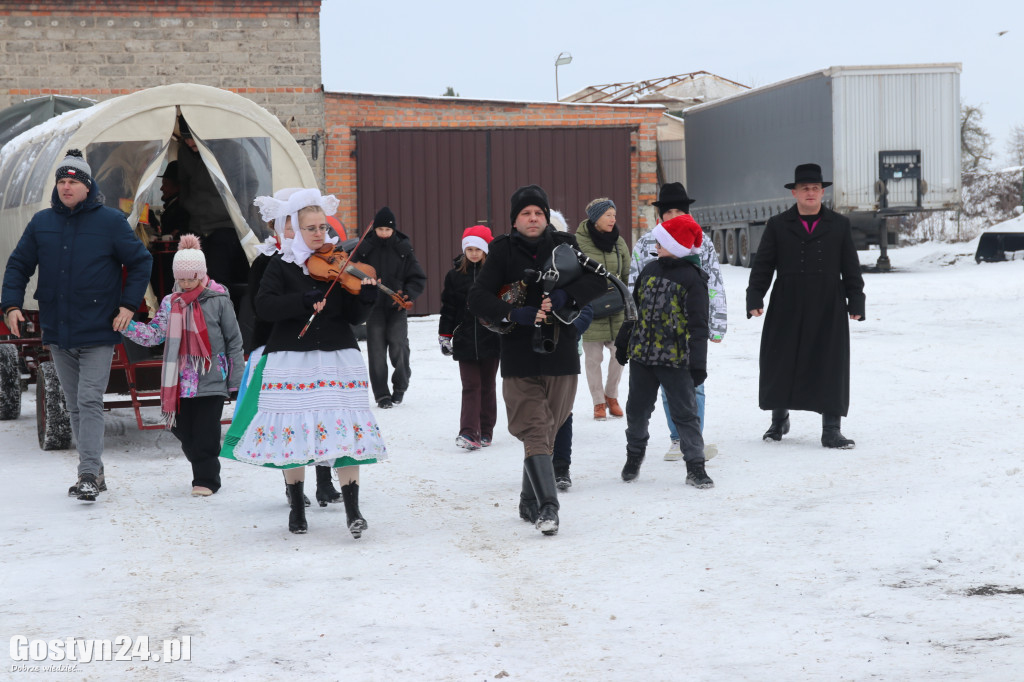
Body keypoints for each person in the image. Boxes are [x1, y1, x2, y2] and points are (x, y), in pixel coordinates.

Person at [220, 188, 386, 538]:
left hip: (339, 358)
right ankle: (297, 507)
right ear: (294, 226)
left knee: (344, 432)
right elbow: (264, 308)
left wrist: (367, 300)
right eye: (310, 227)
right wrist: (302, 300)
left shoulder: (337, 263)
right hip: (292, 360)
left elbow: (352, 315)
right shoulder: (280, 265)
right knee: (293, 435)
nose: (318, 234)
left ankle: (353, 510)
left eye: (322, 227)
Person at [1, 149, 153, 501]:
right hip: (57, 327)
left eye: (73, 181)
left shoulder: (111, 222)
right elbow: (18, 265)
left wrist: (129, 306)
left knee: (88, 399)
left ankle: (86, 474)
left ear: (87, 187)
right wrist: (10, 304)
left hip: (99, 328)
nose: (66, 187)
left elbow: (141, 261)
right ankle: (95, 470)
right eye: (61, 181)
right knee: (73, 403)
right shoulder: (41, 223)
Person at [468, 184, 607, 536]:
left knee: (548, 430)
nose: (533, 219)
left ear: (546, 218)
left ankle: (529, 498)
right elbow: (478, 297)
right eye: (526, 214)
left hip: (561, 354)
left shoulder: (566, 245)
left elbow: (599, 281)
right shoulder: (501, 251)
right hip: (519, 356)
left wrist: (565, 296)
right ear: (515, 220)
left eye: (538, 213)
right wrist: (516, 314)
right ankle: (549, 507)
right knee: (534, 427)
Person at [746, 163, 865, 448]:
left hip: (828, 303)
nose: (810, 193)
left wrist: (856, 300)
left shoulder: (839, 224)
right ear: (794, 193)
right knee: (780, 359)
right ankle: (778, 420)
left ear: (822, 192)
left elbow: (851, 267)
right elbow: (763, 264)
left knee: (830, 363)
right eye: (804, 189)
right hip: (787, 301)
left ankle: (831, 428)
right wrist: (754, 297)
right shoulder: (777, 225)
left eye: (815, 188)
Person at [120, 236, 243, 496]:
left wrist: (235, 380)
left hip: (211, 375)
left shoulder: (218, 300)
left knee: (206, 433)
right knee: (183, 429)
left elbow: (234, 340)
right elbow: (156, 334)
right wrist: (128, 327)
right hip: (179, 379)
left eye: (191, 278)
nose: (186, 284)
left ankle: (207, 480)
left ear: (202, 274)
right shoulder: (170, 302)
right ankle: (201, 463)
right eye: (182, 279)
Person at [245, 188, 342, 508]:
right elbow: (261, 307)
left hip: (316, 347)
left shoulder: (321, 259)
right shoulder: (269, 261)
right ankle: (293, 486)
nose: (291, 232)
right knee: (290, 423)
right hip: (280, 347)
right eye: (288, 226)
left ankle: (325, 481)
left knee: (323, 418)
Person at [629, 182, 727, 461]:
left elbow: (715, 284)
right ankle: (676, 439)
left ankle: (693, 438)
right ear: (660, 215)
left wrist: (716, 323)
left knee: (694, 383)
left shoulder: (701, 242)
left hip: (690, 326)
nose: (673, 215)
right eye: (667, 210)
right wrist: (633, 324)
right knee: (666, 386)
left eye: (678, 210)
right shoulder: (646, 243)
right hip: (656, 331)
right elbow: (633, 285)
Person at [615, 214, 713, 489]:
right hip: (643, 358)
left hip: (676, 360)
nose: (656, 246)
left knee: (685, 413)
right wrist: (624, 342)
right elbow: (633, 311)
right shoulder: (649, 270)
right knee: (636, 411)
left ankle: (696, 466)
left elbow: (698, 325)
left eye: (662, 242)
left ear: (678, 244)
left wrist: (698, 363)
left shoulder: (693, 279)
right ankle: (634, 456)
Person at [350, 206, 427, 408]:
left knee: (398, 345)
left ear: (393, 230)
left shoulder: (403, 249)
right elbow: (351, 273)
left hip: (397, 306)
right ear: (374, 229)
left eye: (388, 230)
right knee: (376, 351)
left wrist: (407, 293)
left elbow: (417, 277)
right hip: (373, 307)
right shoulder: (364, 249)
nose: (384, 233)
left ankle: (400, 385)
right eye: (380, 230)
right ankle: (382, 395)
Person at [438, 225, 500, 450]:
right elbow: (449, 308)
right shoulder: (455, 276)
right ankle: (468, 432)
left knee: (487, 386)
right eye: (469, 249)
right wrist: (445, 335)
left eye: (478, 249)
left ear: (485, 251)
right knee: (470, 385)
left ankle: (485, 430)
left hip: (490, 338)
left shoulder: (494, 275)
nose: (473, 253)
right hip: (464, 338)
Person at [174, 116, 250, 297]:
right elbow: (183, 184)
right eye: (185, 138)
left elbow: (249, 185)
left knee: (220, 281)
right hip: (197, 227)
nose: (189, 142)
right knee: (194, 280)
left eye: (192, 137)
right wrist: (187, 204)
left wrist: (235, 211)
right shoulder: (184, 153)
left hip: (225, 226)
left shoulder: (233, 150)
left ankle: (222, 319)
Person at [575, 197, 631, 421]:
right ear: (595, 217)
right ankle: (598, 402)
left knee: (620, 354)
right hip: (591, 307)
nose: (613, 219)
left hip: (616, 307)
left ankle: (612, 395)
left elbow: (626, 272)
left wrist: (627, 299)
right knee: (593, 358)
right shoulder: (578, 241)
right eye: (608, 215)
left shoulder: (619, 242)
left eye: (614, 215)